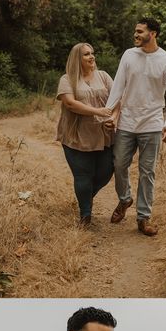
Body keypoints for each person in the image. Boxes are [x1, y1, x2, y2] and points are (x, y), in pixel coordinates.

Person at [104, 16, 166, 237]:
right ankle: (125, 199)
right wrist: (109, 114)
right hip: (127, 122)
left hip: (152, 124)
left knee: (148, 172)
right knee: (118, 164)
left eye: (140, 31)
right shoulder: (129, 55)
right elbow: (118, 86)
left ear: (153, 34)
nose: (135, 35)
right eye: (135, 31)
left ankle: (143, 217)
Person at [56, 43, 116, 227]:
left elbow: (117, 99)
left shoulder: (103, 76)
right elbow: (71, 104)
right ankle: (85, 215)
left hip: (103, 135)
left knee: (106, 172)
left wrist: (113, 117)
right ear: (77, 59)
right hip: (77, 136)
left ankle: (85, 198)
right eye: (86, 54)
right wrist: (99, 112)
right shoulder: (67, 79)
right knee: (83, 175)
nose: (92, 57)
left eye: (92, 53)